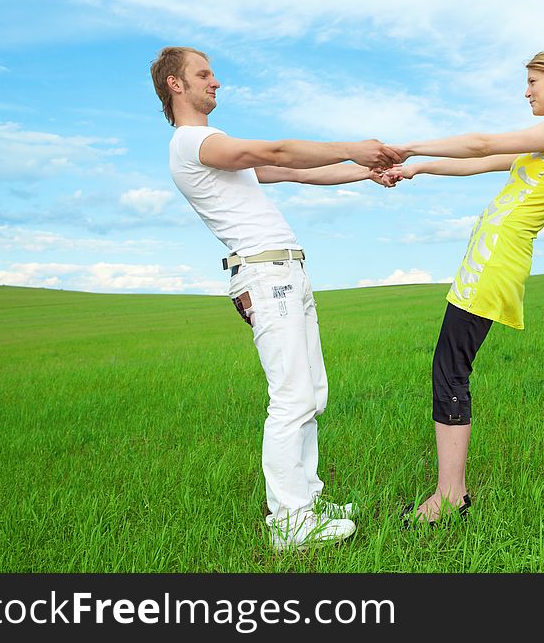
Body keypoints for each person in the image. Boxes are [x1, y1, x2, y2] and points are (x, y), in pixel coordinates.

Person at [150, 46, 401, 550]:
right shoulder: (192, 143)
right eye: (204, 74)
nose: (215, 82)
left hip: (285, 271)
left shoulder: (215, 151)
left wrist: (367, 173)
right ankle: (291, 522)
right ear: (176, 85)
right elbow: (280, 152)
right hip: (267, 277)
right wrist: (353, 147)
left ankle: (305, 499)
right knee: (291, 398)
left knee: (312, 393)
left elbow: (297, 172)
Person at [387, 46, 544, 524]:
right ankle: (451, 493)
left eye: (533, 81)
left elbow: (480, 143)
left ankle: (451, 497)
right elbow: (476, 163)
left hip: (496, 264)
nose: (526, 90)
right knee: (448, 367)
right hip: (483, 261)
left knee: (450, 370)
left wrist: (411, 145)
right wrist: (416, 168)